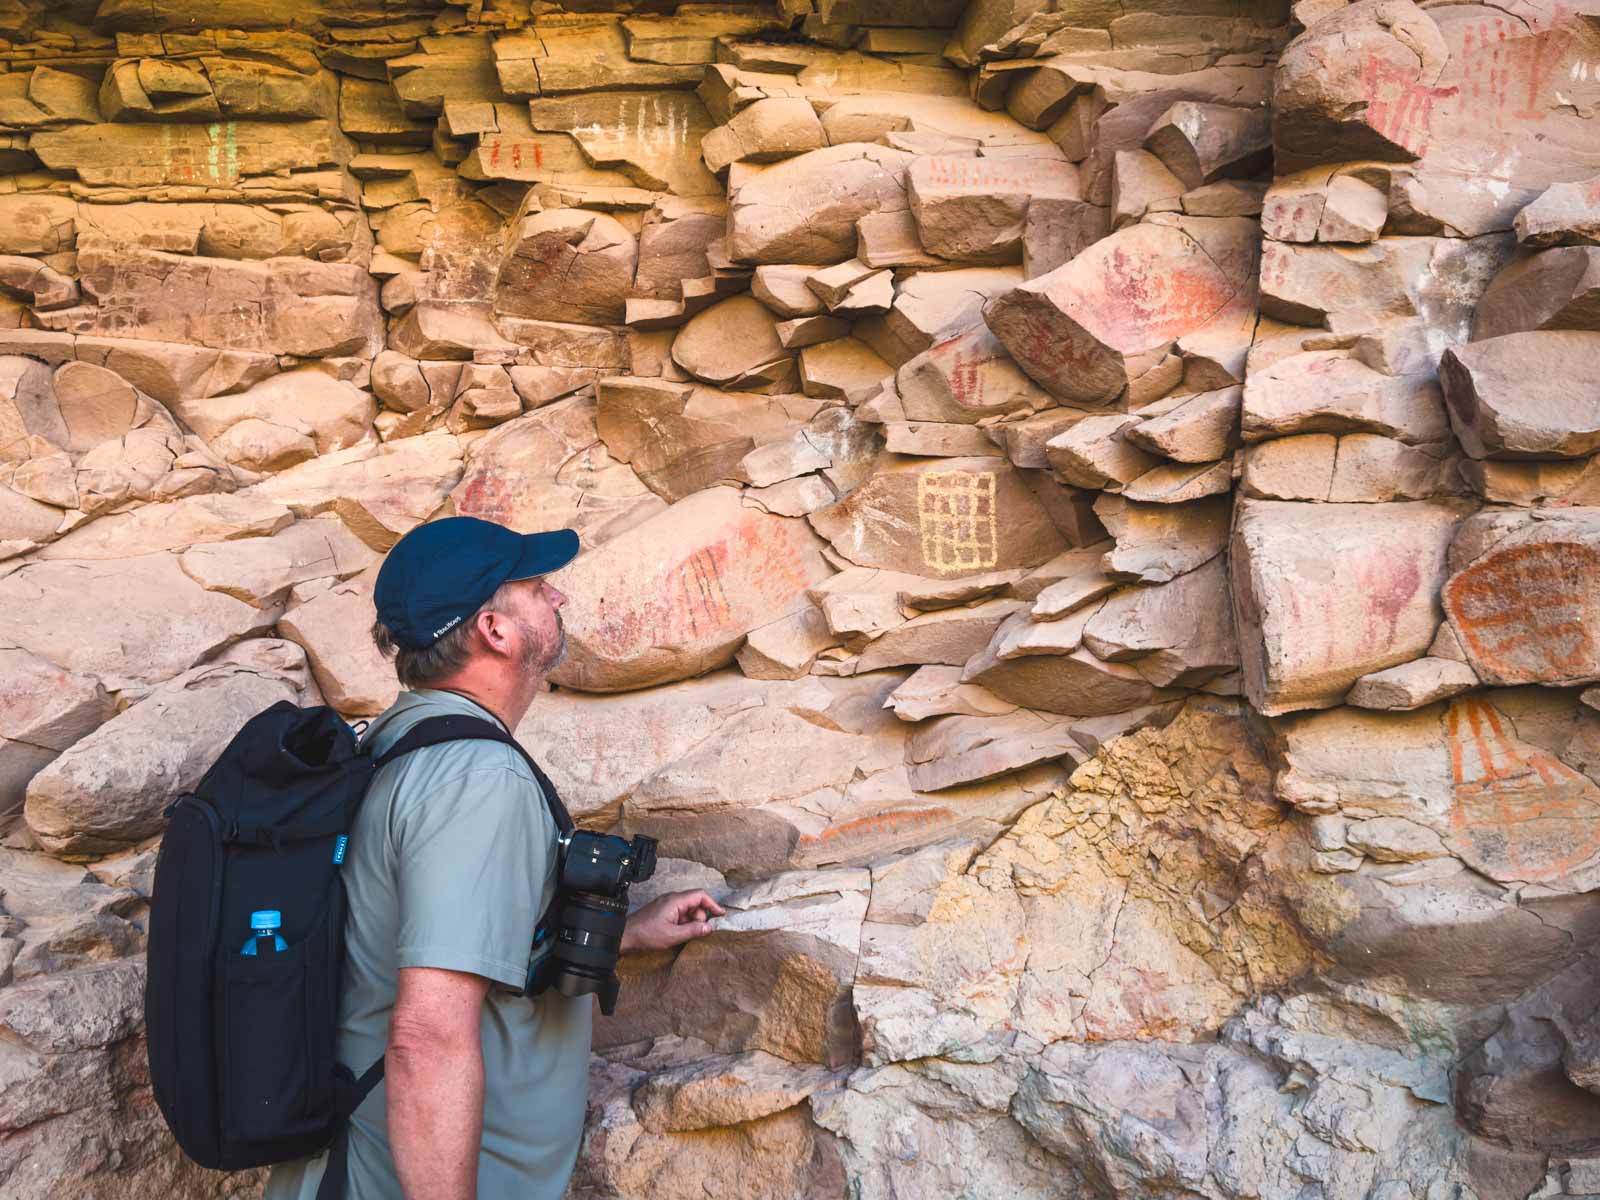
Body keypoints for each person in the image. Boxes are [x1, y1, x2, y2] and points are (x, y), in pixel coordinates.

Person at [264, 516, 724, 1200]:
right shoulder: (474, 777)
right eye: (537, 587)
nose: (558, 599)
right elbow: (427, 1036)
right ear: (495, 630)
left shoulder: (396, 741)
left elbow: (412, 934)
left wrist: (625, 933)